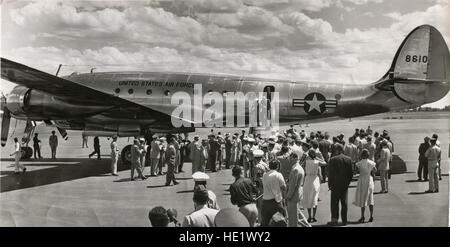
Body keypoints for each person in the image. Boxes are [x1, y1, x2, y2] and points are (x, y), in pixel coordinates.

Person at [327, 144, 353, 226]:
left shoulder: (333, 159)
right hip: (344, 185)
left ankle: (334, 220)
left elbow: (330, 174)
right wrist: (347, 182)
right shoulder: (348, 159)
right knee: (344, 203)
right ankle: (344, 220)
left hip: (335, 184)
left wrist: (329, 184)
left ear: (337, 150)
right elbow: (351, 173)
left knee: (334, 203)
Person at [285, 152, 310, 227]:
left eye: (291, 158)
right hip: (297, 193)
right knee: (297, 214)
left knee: (293, 219)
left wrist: (288, 196)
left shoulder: (295, 169)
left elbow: (293, 185)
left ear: (294, 158)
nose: (289, 159)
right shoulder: (299, 167)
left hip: (293, 195)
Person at [261, 160, 287, 227]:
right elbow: (284, 187)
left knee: (265, 224)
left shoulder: (264, 175)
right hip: (275, 203)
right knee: (280, 223)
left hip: (265, 203)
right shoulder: (278, 175)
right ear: (277, 166)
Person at [353, 149, 376, 223]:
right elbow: (375, 170)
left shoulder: (359, 163)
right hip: (369, 179)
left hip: (362, 180)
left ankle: (362, 216)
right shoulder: (371, 162)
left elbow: (355, 171)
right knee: (370, 198)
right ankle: (371, 215)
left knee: (363, 198)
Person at [303, 149, 325, 223]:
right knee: (315, 198)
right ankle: (314, 216)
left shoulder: (306, 162)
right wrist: (317, 158)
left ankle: (309, 216)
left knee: (308, 198)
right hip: (315, 179)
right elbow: (324, 163)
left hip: (308, 179)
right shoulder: (317, 162)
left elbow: (300, 164)